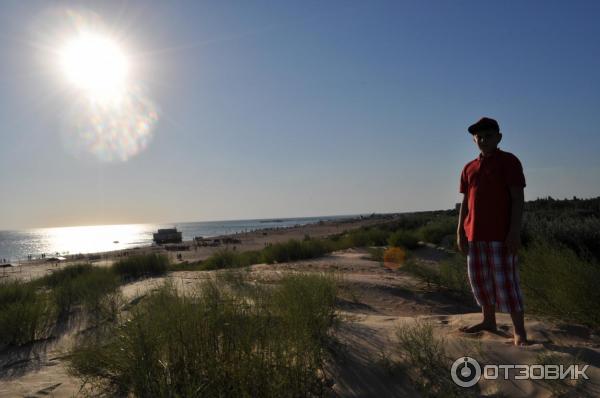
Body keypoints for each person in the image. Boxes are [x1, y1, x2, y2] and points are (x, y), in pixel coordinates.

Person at [456, 117, 528, 346]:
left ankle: (519, 332)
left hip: (501, 235)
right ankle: (489, 321)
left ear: (499, 137)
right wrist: (460, 232)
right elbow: (466, 202)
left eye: (488, 136)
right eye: (479, 137)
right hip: (474, 235)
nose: (484, 140)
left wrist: (514, 232)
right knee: (480, 281)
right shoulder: (469, 167)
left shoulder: (509, 161)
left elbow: (518, 198)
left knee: (507, 283)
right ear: (473, 139)